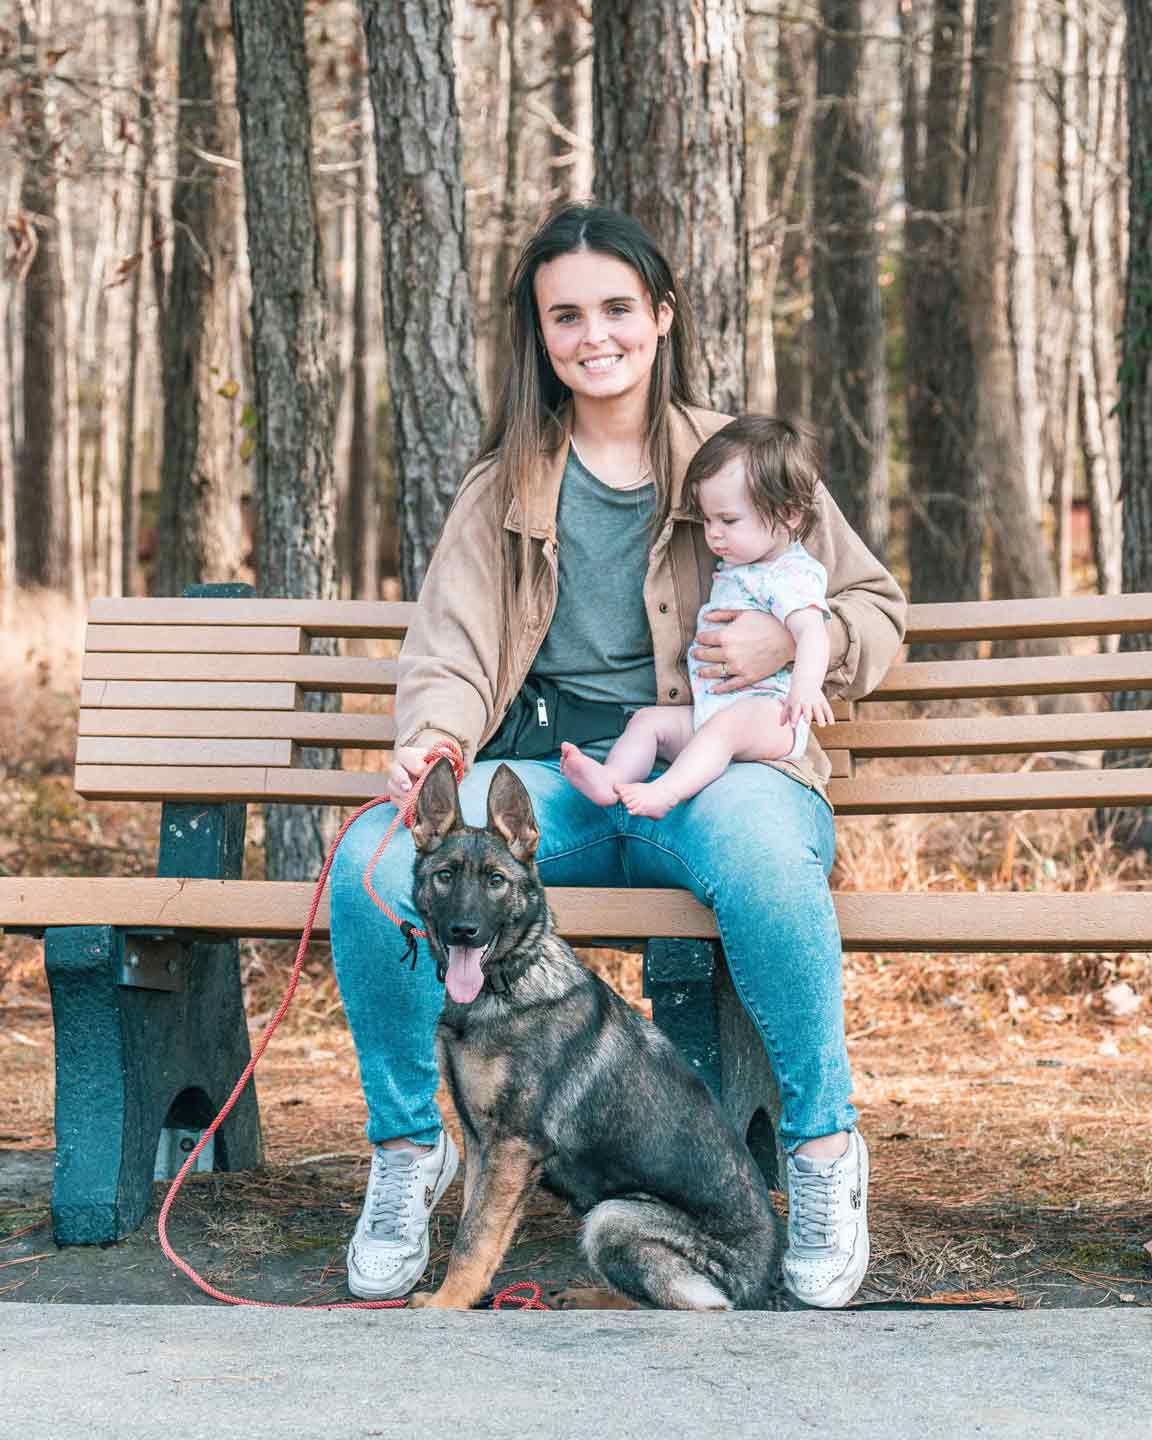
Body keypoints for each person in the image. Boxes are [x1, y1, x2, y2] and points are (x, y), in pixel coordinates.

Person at [329, 203, 907, 1310]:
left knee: (767, 862)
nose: (594, 335)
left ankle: (824, 1150)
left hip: (716, 773)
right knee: (371, 863)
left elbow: (875, 609)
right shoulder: (504, 486)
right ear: (540, 333)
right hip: (551, 792)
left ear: (661, 315)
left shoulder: (739, 462)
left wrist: (794, 643)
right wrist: (435, 737)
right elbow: (449, 650)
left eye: (616, 308)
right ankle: (409, 1151)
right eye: (566, 316)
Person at [559, 416, 836, 820]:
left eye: (729, 520)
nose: (713, 534)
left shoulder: (790, 574)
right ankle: (611, 778)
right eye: (707, 520)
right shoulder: (743, 564)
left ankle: (666, 793)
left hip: (771, 714)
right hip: (714, 712)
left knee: (725, 730)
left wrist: (805, 688)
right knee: (649, 722)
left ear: (788, 514)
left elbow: (812, 632)